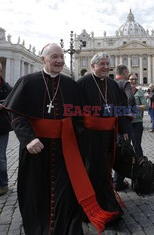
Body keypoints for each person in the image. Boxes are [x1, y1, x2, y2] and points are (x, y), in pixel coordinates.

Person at [2, 43, 111, 234]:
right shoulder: (28, 82)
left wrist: (90, 137)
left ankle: (66, 228)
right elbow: (17, 115)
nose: (59, 60)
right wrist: (28, 139)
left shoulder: (70, 84)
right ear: (43, 59)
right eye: (54, 57)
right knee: (36, 192)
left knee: (65, 192)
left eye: (61, 56)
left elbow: (78, 116)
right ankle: (38, 227)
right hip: (36, 148)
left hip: (64, 150)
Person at [77, 52, 129, 222]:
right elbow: (74, 110)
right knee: (92, 169)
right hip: (89, 137)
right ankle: (92, 205)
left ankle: (107, 200)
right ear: (93, 66)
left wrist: (123, 128)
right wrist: (80, 131)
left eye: (108, 64)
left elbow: (119, 108)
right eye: (102, 64)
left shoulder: (112, 84)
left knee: (106, 168)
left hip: (108, 135)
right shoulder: (83, 83)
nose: (106, 67)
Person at [113, 65, 135, 191]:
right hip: (123, 123)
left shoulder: (111, 83)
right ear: (125, 72)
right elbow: (130, 98)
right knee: (123, 151)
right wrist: (130, 111)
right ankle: (118, 181)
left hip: (111, 122)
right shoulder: (125, 83)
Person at [0, 63, 13, 196]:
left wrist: (3, 106)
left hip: (1, 126)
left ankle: (3, 184)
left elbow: (12, 103)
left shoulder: (6, 87)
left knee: (1, 157)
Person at [129, 72, 147, 157]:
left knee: (136, 145)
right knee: (125, 146)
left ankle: (140, 164)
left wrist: (135, 107)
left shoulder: (139, 92)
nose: (133, 81)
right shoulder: (122, 91)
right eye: (132, 79)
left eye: (135, 79)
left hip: (137, 122)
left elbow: (146, 106)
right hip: (126, 123)